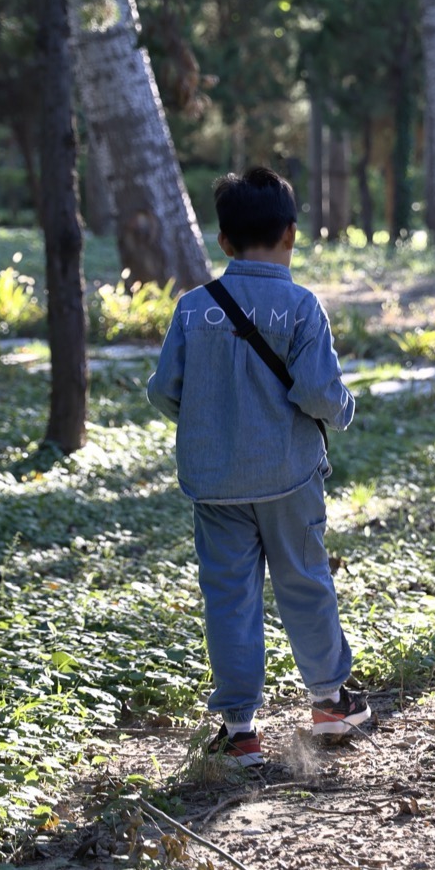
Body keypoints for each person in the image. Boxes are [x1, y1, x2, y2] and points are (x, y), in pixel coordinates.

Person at [147, 166, 369, 766]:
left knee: (228, 597)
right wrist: (345, 412)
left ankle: (239, 729)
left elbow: (164, 390)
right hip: (289, 477)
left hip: (214, 484)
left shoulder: (194, 308)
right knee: (304, 581)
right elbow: (321, 395)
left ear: (224, 242)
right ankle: (328, 701)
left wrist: (209, 428)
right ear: (291, 235)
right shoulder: (300, 306)